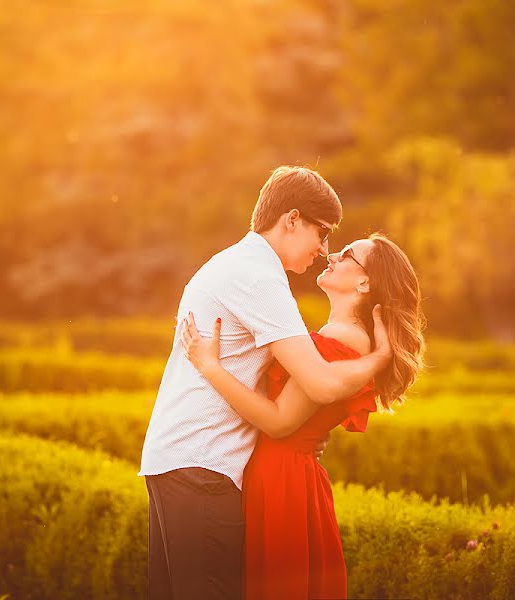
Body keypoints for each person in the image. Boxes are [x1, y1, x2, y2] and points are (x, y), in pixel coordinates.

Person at [138, 166, 392, 600]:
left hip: (179, 461)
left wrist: (308, 431)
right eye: (322, 232)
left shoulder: (236, 263)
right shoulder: (260, 278)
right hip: (205, 467)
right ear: (291, 220)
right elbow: (321, 385)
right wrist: (380, 358)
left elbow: (304, 392)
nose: (324, 249)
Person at [180, 233, 425, 600]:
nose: (331, 255)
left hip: (281, 477)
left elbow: (280, 421)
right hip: (290, 472)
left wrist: (211, 368)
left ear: (365, 282)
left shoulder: (344, 337)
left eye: (346, 255)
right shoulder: (344, 336)